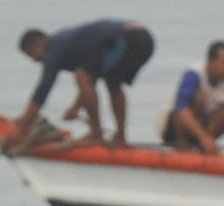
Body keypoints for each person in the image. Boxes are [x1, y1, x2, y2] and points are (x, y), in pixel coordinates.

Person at [15, 17, 155, 144]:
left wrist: (23, 127)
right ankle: (120, 138)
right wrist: (76, 107)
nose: (34, 60)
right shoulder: (65, 43)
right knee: (111, 83)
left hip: (127, 38)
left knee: (82, 75)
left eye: (31, 55)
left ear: (38, 44)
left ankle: (96, 134)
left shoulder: (54, 48)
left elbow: (43, 89)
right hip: (142, 38)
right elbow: (91, 78)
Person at [165, 41, 224, 157]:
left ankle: (206, 148)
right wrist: (203, 137)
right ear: (211, 62)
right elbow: (181, 109)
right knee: (199, 98)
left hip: (204, 128)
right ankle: (184, 147)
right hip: (173, 128)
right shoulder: (194, 75)